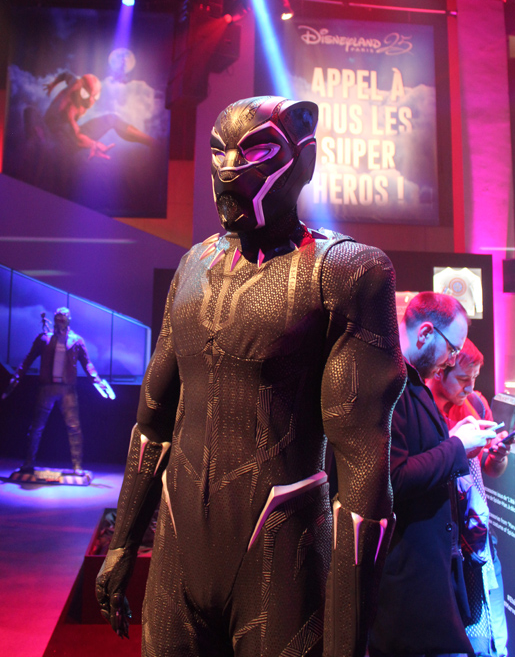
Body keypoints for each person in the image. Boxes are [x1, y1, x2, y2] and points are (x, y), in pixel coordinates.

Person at [96, 95, 407, 657]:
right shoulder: (193, 266)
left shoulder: (344, 271)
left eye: (257, 151)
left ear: (304, 160)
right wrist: (121, 545)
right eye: (219, 152)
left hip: (281, 551)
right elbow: (152, 422)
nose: (229, 169)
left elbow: (363, 468)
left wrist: (347, 639)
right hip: (179, 551)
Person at [369, 291, 499, 657]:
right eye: (452, 349)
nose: (452, 360)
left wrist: (458, 440)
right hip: (406, 588)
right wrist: (456, 446)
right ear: (425, 333)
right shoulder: (387, 384)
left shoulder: (409, 380)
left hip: (427, 578)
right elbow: (392, 478)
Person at [429, 338, 509, 657]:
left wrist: (498, 454)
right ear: (441, 371)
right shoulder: (424, 412)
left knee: (492, 632)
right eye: (463, 378)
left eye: (474, 378)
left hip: (479, 536)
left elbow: (491, 468)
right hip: (443, 542)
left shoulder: (475, 403)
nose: (471, 387)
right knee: (456, 636)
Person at [4, 307, 114, 473]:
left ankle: (77, 466)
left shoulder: (76, 341)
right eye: (57, 319)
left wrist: (97, 381)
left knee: (74, 428)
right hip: (47, 388)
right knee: (36, 427)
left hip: (67, 390)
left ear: (68, 320)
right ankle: (28, 462)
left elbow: (87, 364)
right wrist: (17, 376)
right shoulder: (44, 339)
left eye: (63, 319)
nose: (60, 322)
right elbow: (28, 359)